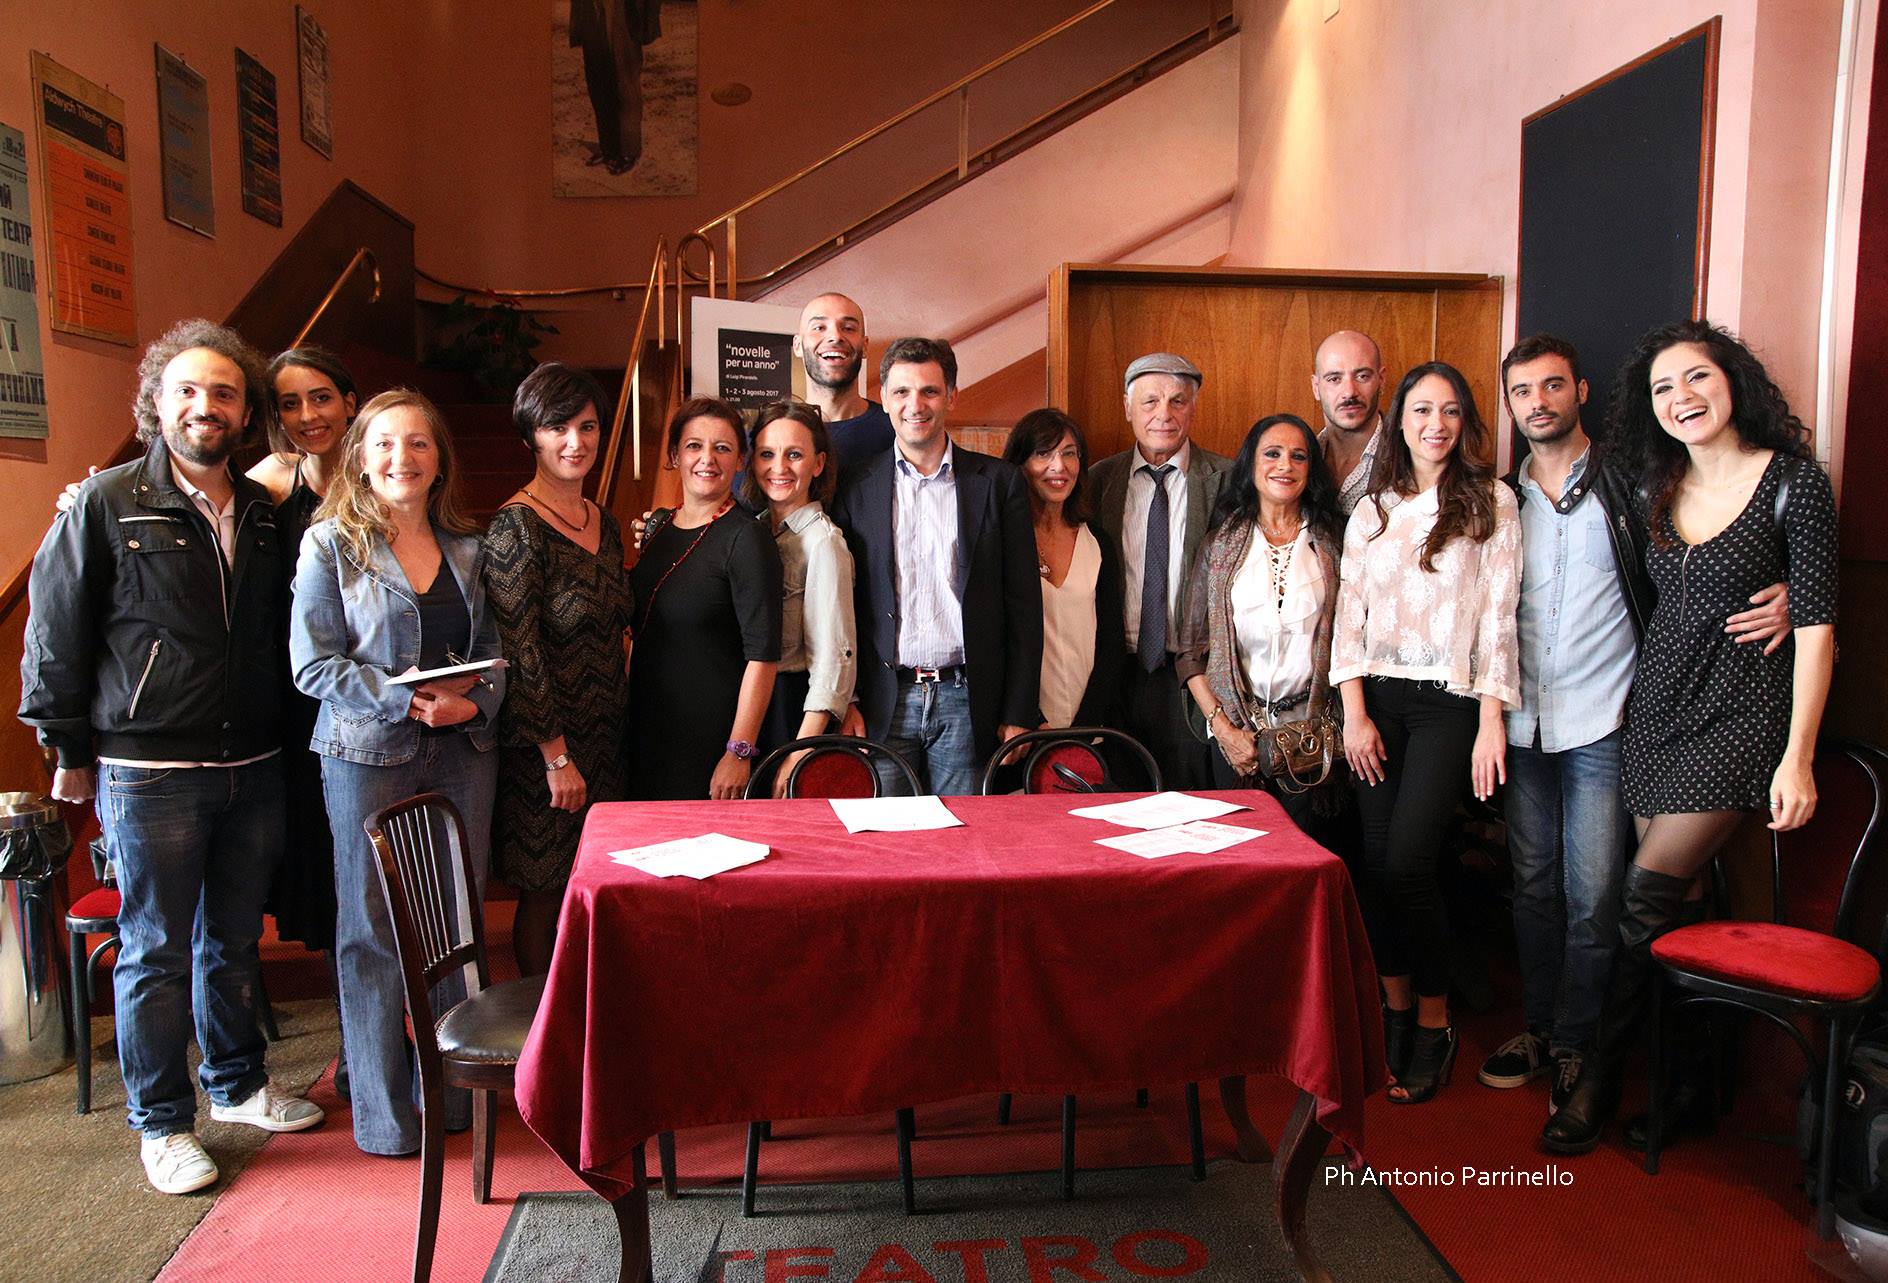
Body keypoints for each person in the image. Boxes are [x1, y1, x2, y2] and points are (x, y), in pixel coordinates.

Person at [20, 319, 323, 1195]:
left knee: (232, 940)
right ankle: (160, 1123)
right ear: (157, 401)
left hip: (254, 761)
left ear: (244, 410)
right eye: (188, 390)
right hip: (150, 772)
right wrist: (66, 745)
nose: (205, 406)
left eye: (224, 392)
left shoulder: (263, 511)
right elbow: (53, 633)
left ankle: (235, 1085)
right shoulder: (104, 501)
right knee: (155, 950)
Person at [1544, 321, 1837, 1155]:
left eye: (1698, 377)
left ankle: (1597, 1077)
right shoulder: (1654, 487)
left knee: (1640, 900)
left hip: (1744, 718)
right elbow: (1651, 600)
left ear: (1733, 381)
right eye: (1665, 388)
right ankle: (1690, 1083)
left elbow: (1817, 629)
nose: (1683, 398)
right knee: (1683, 912)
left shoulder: (1793, 485)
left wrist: (1799, 755)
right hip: (1659, 711)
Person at [1479, 334, 1791, 1113]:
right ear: (1510, 405)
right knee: (1531, 889)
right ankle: (1545, 1031)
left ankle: (1585, 1048)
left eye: (1553, 386)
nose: (1538, 402)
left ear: (1581, 391)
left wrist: (1788, 586)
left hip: (1609, 720)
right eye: (1522, 392)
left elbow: (1711, 549)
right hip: (1522, 722)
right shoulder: (1497, 500)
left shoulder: (1638, 481)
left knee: (1596, 896)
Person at [290, 389, 506, 1157]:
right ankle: (384, 1114)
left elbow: (499, 663)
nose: (401, 458)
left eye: (418, 443)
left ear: (438, 458)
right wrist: (402, 698)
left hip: (462, 754)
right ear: (359, 455)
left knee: (455, 922)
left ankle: (451, 1094)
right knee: (372, 931)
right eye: (384, 443)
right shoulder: (329, 545)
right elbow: (312, 665)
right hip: (366, 754)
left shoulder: (471, 547)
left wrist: (473, 705)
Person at [1331, 361, 1522, 1105]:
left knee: (1409, 859)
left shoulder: (1491, 502)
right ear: (1399, 419)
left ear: (1465, 420)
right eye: (1420, 410)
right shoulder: (1371, 508)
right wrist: (1352, 712)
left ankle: (1437, 1021)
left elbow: (1500, 618)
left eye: (1448, 410)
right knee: (1376, 863)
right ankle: (1395, 1010)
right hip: (1375, 700)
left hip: (1451, 701)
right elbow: (1349, 616)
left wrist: (1491, 719)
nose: (1434, 424)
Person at [832, 337, 1042, 795]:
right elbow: (842, 605)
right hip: (884, 699)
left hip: (968, 699)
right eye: (902, 392)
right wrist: (844, 699)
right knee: (889, 847)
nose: (915, 405)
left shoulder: (999, 483)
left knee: (965, 844)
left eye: (929, 391)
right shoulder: (854, 485)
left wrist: (1020, 709)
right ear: (884, 397)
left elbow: (1024, 604)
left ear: (952, 395)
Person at [484, 363, 633, 976]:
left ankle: (587, 1019)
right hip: (548, 749)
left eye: (589, 426)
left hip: (607, 741)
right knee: (546, 891)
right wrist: (555, 754)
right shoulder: (515, 528)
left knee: (594, 883)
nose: (577, 442)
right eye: (558, 428)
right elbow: (519, 653)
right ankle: (539, 1034)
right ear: (531, 437)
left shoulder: (606, 520)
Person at [1178, 413, 1343, 833]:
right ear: (1251, 465)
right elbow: (1190, 653)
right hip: (1236, 735)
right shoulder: (1220, 545)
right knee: (1239, 857)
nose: (1284, 466)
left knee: (1305, 857)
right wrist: (1225, 730)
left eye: (1298, 456)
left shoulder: (1332, 544)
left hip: (1312, 738)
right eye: (1272, 454)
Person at [1088, 353, 1231, 789]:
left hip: (1192, 677)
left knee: (1192, 805)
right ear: (1128, 408)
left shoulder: (1228, 479)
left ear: (1194, 408)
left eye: (1177, 401)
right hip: (1112, 673)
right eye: (1149, 402)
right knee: (1114, 806)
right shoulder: (1096, 481)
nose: (1163, 415)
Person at [628, 397, 782, 800]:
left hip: (711, 740)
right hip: (646, 730)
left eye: (723, 448)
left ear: (740, 461)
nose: (707, 459)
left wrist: (739, 750)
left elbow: (763, 656)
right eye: (694, 446)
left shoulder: (746, 538)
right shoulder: (658, 527)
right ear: (675, 454)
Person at [743, 400, 857, 789]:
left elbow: (833, 655)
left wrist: (800, 750)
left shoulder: (823, 541)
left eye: (794, 455)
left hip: (792, 710)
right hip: (752, 704)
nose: (779, 468)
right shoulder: (750, 532)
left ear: (818, 463)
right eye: (767, 454)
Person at [1001, 408, 1123, 732]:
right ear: (1020, 464)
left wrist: (1084, 727)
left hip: (1089, 729)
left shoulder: (1098, 542)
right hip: (1020, 730)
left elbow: (1111, 645)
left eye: (1069, 454)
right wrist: (1026, 716)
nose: (1059, 466)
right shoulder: (1001, 542)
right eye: (1044, 453)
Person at [791, 292, 895, 474]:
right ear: (798, 346)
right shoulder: (771, 436)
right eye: (819, 327)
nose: (835, 336)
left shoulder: (896, 431)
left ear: (865, 346)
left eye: (848, 328)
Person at [569, 0, 661, 174]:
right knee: (598, 81)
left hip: (622, 13)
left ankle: (629, 150)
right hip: (591, 10)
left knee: (624, 83)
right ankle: (608, 149)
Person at [1312, 330, 1388, 517]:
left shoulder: (1411, 457)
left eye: (1362, 376)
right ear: (1316, 387)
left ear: (1382, 380)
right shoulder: (1300, 460)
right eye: (1334, 379)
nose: (1349, 392)